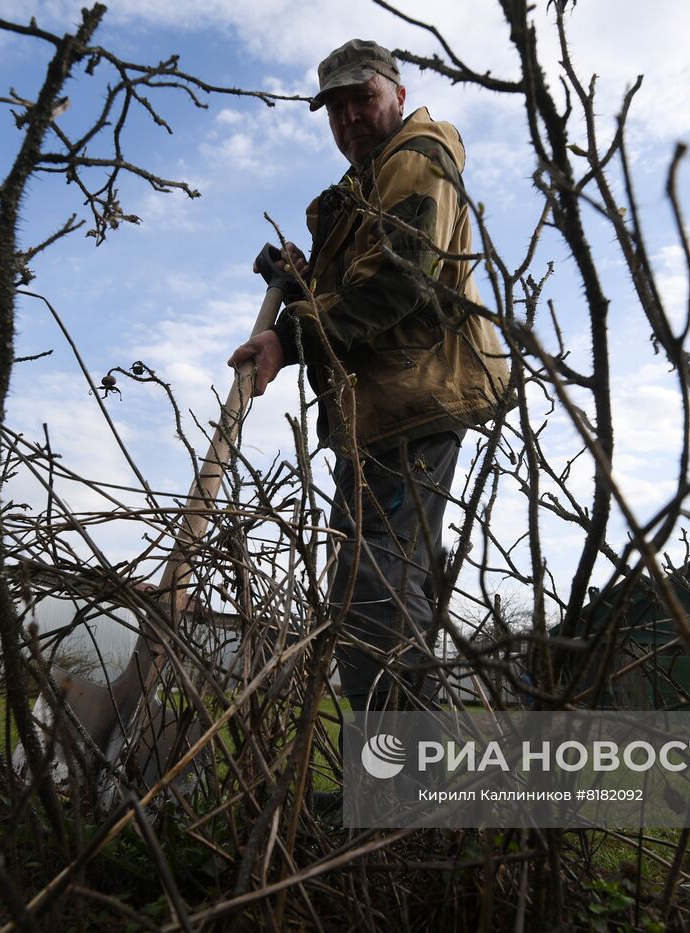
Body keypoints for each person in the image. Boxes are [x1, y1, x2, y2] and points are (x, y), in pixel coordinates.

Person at [228, 39, 509, 714]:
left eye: (364, 98)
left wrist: (287, 338)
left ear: (398, 96)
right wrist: (302, 280)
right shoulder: (365, 186)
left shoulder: (415, 157)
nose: (350, 116)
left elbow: (397, 282)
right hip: (381, 408)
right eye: (336, 107)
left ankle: (405, 799)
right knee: (380, 583)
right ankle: (393, 792)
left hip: (414, 399)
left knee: (370, 581)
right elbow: (354, 284)